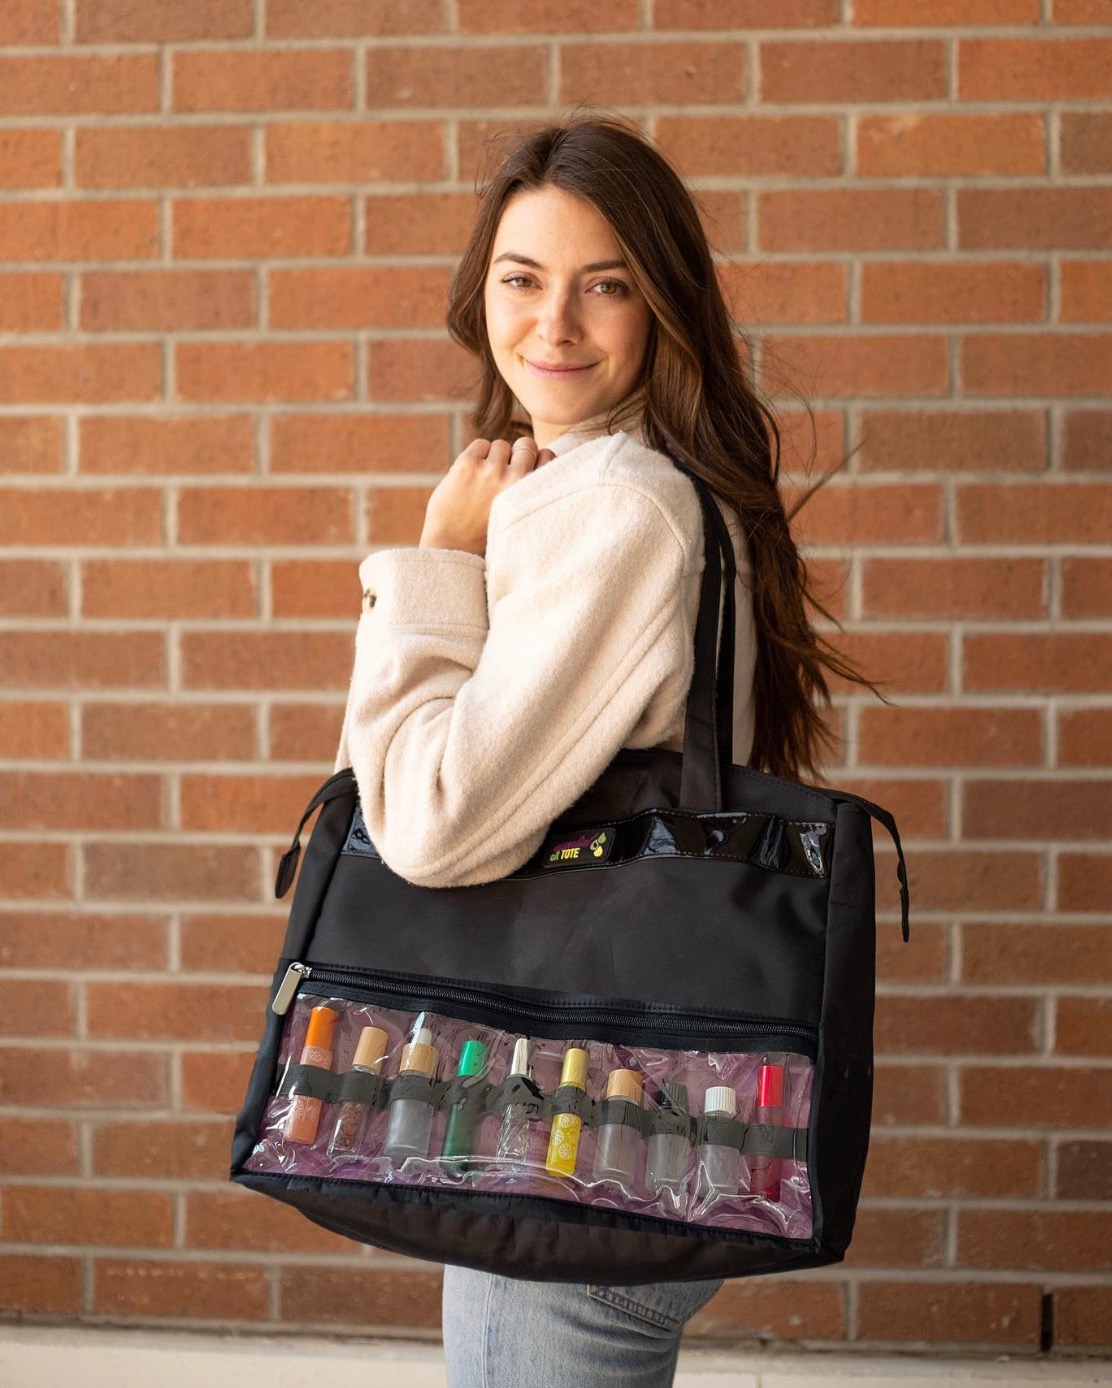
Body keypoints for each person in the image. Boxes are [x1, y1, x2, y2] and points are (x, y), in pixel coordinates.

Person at [335, 116, 865, 1388]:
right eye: (522, 279)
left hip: (563, 1138)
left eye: (605, 284)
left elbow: (431, 817)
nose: (553, 324)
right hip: (600, 1111)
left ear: (661, 304)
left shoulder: (613, 502)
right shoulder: (640, 479)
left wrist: (437, 568)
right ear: (482, 295)